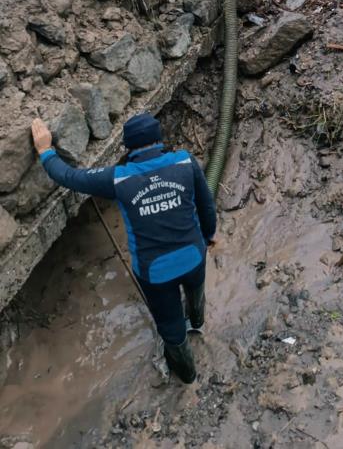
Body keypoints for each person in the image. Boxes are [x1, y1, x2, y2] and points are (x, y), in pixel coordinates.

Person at [31, 111, 216, 383]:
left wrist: (46, 150)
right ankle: (198, 322)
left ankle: (187, 375)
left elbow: (70, 176)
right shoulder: (185, 162)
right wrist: (209, 235)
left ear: (127, 147)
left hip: (155, 272)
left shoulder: (117, 179)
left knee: (171, 328)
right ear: (159, 138)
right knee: (195, 290)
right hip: (194, 257)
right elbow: (206, 206)